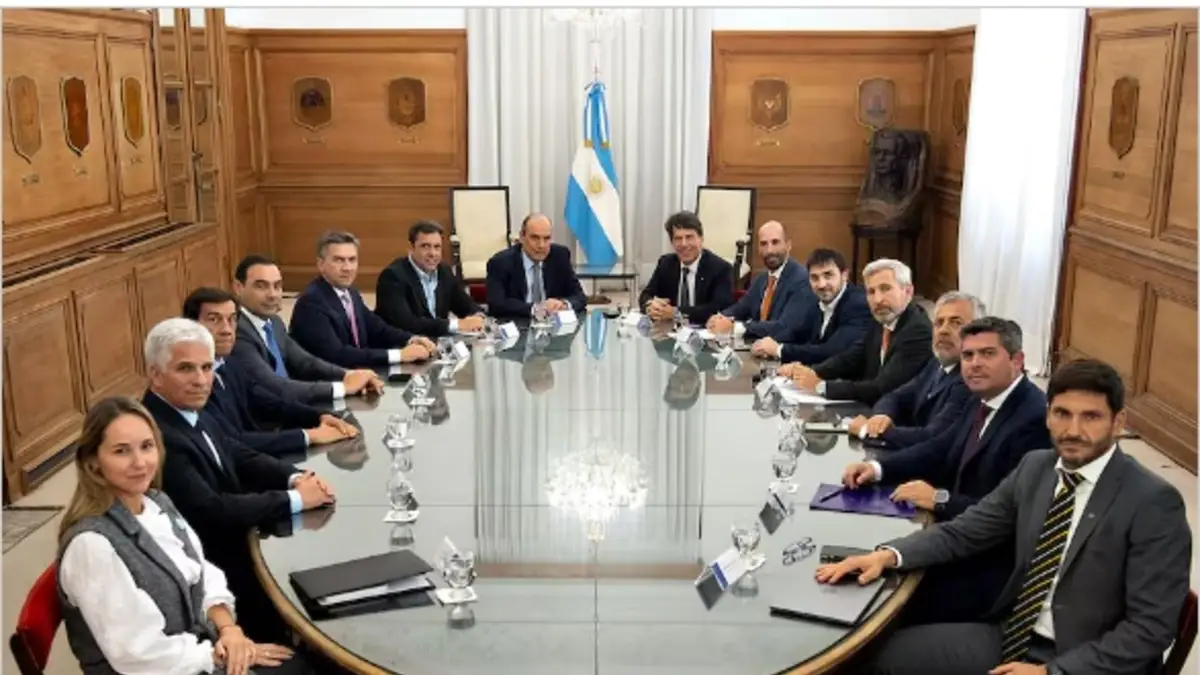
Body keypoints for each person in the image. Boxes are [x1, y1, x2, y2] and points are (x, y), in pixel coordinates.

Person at [816, 359, 1192, 675]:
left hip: (1086, 661)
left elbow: (1150, 629)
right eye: (1062, 414)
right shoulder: (1036, 467)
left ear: (1118, 421)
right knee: (876, 656)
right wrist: (888, 555)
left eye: (1091, 417)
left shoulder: (1153, 502)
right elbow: (966, 530)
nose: (1073, 431)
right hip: (1014, 635)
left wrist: (1051, 673)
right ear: (1048, 415)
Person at [57, 396, 313, 674]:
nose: (140, 462)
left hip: (196, 650)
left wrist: (229, 630)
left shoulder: (156, 502)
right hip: (161, 669)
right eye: (121, 451)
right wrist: (220, 657)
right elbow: (139, 654)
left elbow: (202, 571)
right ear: (93, 462)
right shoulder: (92, 546)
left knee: (301, 661)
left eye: (147, 446)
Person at [840, 317, 1051, 624]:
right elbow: (940, 448)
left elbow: (1008, 517)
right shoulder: (982, 397)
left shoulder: (1033, 418)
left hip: (986, 565)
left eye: (987, 354)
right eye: (968, 355)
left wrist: (940, 498)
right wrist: (877, 467)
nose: (975, 364)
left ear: (1017, 361)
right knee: (853, 556)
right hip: (951, 535)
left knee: (873, 602)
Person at [141, 317, 336, 644]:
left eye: (206, 367)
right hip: (215, 576)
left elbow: (236, 452)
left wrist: (296, 477)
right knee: (319, 607)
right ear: (155, 374)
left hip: (239, 544)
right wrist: (296, 500)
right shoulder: (157, 435)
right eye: (186, 369)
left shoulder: (187, 411)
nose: (201, 380)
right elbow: (211, 511)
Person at [183, 287, 358, 457]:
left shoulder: (229, 363)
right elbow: (231, 442)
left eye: (232, 319)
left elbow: (268, 402)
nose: (226, 330)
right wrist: (308, 436)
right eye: (214, 320)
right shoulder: (192, 383)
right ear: (191, 326)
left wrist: (320, 417)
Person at [231, 254, 384, 404]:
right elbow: (274, 387)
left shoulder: (274, 322)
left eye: (277, 286)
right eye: (261, 286)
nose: (272, 295)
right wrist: (343, 387)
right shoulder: (235, 332)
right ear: (238, 287)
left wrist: (348, 375)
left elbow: (305, 362)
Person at [781, 258, 931, 405]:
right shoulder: (882, 319)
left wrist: (821, 386)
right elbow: (851, 358)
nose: (878, 299)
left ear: (908, 292)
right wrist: (809, 372)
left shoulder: (918, 331)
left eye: (885, 289)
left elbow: (882, 388)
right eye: (871, 292)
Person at [845, 290, 982, 447]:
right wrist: (881, 416)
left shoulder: (971, 378)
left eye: (956, 323)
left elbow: (933, 437)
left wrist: (867, 430)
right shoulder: (936, 363)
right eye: (939, 322)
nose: (943, 330)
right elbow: (895, 397)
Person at [289, 230, 435, 368]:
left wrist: (411, 339)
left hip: (359, 373)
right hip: (328, 380)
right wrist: (399, 355)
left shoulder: (350, 292)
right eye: (339, 260)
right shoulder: (311, 303)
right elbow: (337, 355)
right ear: (321, 264)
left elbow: (377, 328)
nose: (347, 268)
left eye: (352, 260)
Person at [750, 247, 871, 364]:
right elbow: (797, 332)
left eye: (828, 275)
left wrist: (779, 350)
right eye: (814, 278)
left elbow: (831, 352)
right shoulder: (816, 300)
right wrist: (767, 344)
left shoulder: (858, 305)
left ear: (844, 275)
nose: (821, 284)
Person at [375, 219, 486, 337]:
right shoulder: (393, 277)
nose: (432, 253)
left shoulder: (444, 271)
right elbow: (406, 323)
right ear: (411, 248)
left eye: (437, 247)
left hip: (437, 341)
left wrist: (477, 316)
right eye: (425, 246)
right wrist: (456, 324)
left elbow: (466, 305)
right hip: (404, 343)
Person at [706, 220, 812, 341]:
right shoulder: (761, 279)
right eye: (763, 244)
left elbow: (784, 327)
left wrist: (735, 327)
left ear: (788, 245)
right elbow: (741, 308)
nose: (769, 250)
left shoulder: (802, 279)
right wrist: (719, 318)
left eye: (775, 242)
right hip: (757, 346)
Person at [638, 210, 734, 325]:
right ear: (672, 242)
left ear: (701, 238)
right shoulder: (666, 263)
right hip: (669, 330)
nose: (684, 244)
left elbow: (720, 307)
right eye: (678, 238)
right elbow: (646, 295)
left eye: (689, 237)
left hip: (704, 330)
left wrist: (676, 312)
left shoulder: (720, 268)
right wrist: (650, 306)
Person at [485, 212, 587, 319]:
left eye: (546, 238)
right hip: (518, 323)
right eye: (535, 238)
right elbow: (496, 304)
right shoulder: (500, 263)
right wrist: (535, 309)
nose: (541, 245)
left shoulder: (560, 256)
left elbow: (580, 296)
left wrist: (563, 305)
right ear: (522, 237)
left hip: (553, 325)